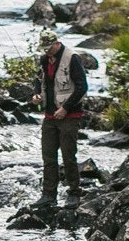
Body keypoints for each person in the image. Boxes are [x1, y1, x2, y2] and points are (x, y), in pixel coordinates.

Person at [31, 29, 88, 209]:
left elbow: (82, 87)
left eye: (49, 48)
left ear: (57, 43)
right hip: (49, 116)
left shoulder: (72, 58)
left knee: (68, 156)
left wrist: (65, 108)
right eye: (44, 48)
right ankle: (49, 195)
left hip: (70, 116)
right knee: (48, 157)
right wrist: (36, 95)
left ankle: (74, 192)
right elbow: (38, 81)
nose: (47, 51)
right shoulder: (43, 59)